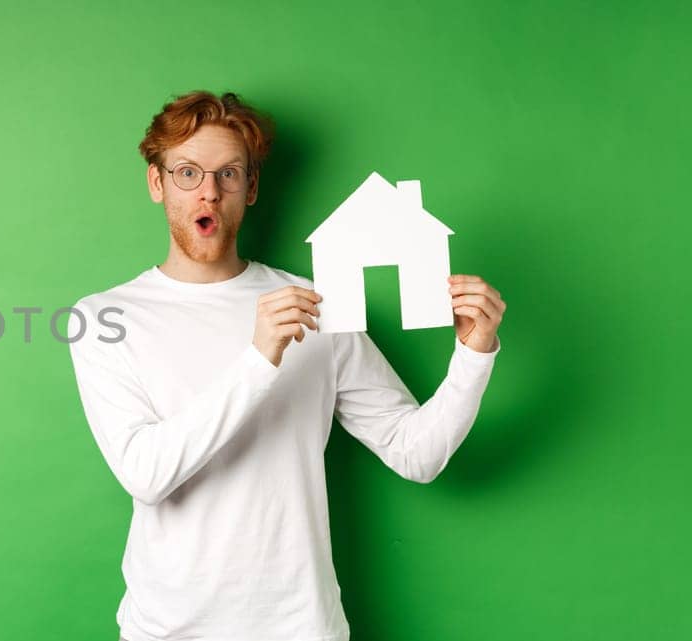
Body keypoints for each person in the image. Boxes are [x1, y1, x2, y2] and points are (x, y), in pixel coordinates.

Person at [66, 91, 506, 641]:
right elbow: (146, 474)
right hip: (168, 630)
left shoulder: (318, 304)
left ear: (249, 189)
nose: (208, 190)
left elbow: (416, 453)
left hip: (301, 628)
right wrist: (259, 358)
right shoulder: (104, 319)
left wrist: (474, 353)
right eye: (187, 172)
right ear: (157, 183)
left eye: (228, 174)